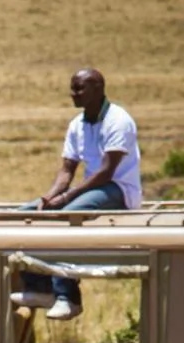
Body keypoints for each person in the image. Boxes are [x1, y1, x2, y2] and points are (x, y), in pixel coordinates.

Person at [14, 68, 142, 320]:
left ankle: (68, 296)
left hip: (118, 189)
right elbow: (66, 170)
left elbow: (106, 172)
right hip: (92, 188)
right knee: (23, 215)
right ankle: (39, 287)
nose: (73, 93)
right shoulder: (77, 124)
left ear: (98, 88)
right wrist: (48, 198)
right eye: (72, 88)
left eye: (79, 88)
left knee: (66, 217)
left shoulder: (118, 120)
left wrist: (67, 198)